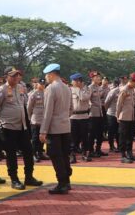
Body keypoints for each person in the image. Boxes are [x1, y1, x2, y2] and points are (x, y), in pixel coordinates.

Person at [0, 66, 42, 190]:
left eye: (17, 75)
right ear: (6, 77)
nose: (16, 77)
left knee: (28, 151)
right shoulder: (1, 90)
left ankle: (29, 177)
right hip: (8, 127)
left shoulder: (21, 88)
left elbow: (25, 104)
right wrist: (0, 121)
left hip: (22, 125)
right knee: (11, 154)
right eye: (13, 75)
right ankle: (14, 179)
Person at [39, 63, 73, 194]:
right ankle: (67, 181)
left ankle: (62, 183)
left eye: (47, 75)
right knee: (64, 154)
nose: (46, 78)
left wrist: (43, 131)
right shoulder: (66, 87)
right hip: (65, 126)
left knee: (55, 155)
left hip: (54, 128)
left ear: (52, 74)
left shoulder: (51, 88)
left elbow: (47, 112)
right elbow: (71, 108)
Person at [116, 73, 135, 163]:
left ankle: (129, 153)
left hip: (131, 117)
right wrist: (117, 115)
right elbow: (119, 104)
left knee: (130, 136)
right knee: (123, 136)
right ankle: (123, 155)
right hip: (124, 117)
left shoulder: (131, 90)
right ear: (131, 81)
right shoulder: (124, 90)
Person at [69, 73, 92, 163]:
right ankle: (72, 155)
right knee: (73, 137)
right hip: (73, 117)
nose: (71, 83)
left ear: (78, 81)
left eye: (73, 81)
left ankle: (84, 154)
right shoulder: (70, 89)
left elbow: (83, 98)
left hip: (84, 116)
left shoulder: (87, 89)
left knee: (84, 137)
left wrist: (78, 89)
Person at [27, 79, 49, 163]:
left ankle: (40, 153)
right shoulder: (34, 94)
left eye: (44, 84)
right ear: (38, 84)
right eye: (41, 84)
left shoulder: (46, 93)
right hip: (36, 118)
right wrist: (30, 117)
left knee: (42, 137)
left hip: (44, 118)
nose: (43, 85)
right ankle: (33, 154)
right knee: (35, 138)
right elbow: (29, 107)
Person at [88, 71, 108, 157]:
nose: (99, 78)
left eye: (99, 77)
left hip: (100, 113)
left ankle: (98, 149)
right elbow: (88, 100)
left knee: (100, 133)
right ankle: (91, 150)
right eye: (97, 77)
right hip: (93, 114)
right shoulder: (90, 88)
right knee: (92, 133)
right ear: (92, 78)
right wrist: (90, 106)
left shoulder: (99, 88)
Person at [104, 78, 120, 153]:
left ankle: (119, 145)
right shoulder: (113, 91)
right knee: (111, 131)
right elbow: (107, 102)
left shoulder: (124, 90)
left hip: (119, 114)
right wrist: (108, 110)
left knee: (119, 131)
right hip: (112, 113)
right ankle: (111, 146)